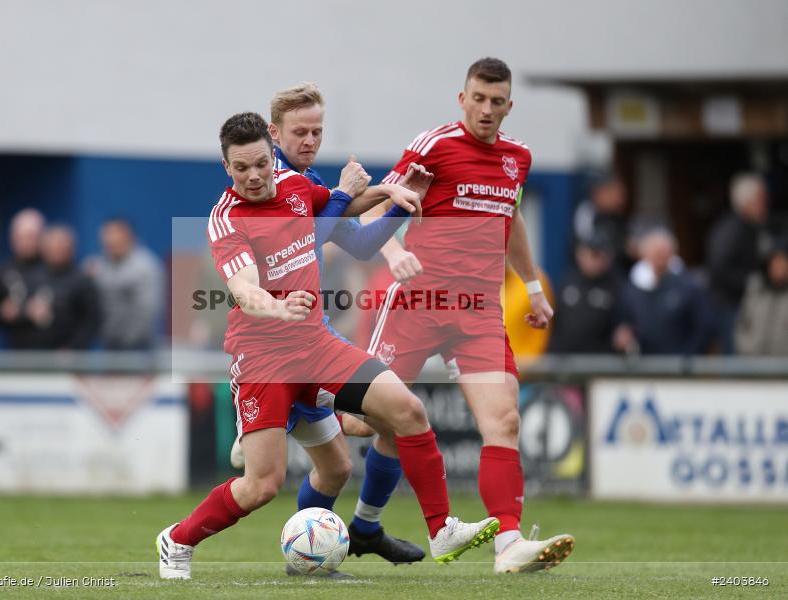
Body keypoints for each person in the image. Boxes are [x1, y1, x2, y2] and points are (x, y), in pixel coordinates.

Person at [156, 112, 497, 580]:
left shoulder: (294, 185)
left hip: (316, 345)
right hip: (263, 361)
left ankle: (441, 529)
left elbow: (343, 206)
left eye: (260, 163)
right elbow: (244, 289)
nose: (253, 176)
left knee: (406, 412)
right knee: (262, 484)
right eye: (241, 168)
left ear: (271, 156)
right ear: (225, 166)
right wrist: (278, 307)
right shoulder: (226, 219)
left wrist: (390, 194)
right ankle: (177, 539)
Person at [362, 57, 574, 573]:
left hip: (479, 312)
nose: (485, 109)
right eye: (477, 99)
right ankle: (296, 413)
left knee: (503, 419)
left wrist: (531, 286)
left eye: (496, 102)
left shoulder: (517, 158)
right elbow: (373, 205)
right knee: (368, 420)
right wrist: (393, 255)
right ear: (463, 99)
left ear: (508, 106)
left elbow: (513, 217)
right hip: (419, 303)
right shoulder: (434, 145)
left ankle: (508, 544)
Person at [229, 83, 426, 569]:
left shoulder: (310, 183)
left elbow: (358, 245)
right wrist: (344, 193)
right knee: (380, 420)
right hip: (273, 345)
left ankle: (352, 535)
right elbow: (303, 233)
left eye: (318, 130)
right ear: (274, 133)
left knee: (345, 461)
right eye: (300, 131)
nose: (310, 139)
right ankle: (255, 427)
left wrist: (402, 204)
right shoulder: (265, 183)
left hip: (311, 335)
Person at [614, 227, 711, 355]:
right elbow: (624, 324)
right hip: (641, 366)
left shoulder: (689, 287)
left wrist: (688, 357)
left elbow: (703, 327)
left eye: (663, 254)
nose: (659, 259)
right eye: (655, 254)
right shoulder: (631, 290)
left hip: (680, 365)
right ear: (644, 255)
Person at [706, 172, 772, 354]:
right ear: (747, 202)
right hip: (731, 307)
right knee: (736, 356)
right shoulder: (731, 230)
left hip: (745, 305)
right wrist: (751, 283)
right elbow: (719, 267)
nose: (765, 205)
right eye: (761, 199)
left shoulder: (752, 227)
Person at [87, 218, 163, 350]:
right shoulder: (98, 266)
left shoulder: (145, 267)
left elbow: (147, 310)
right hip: (108, 344)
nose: (110, 240)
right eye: (106, 236)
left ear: (128, 236)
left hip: (137, 347)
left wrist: (128, 341)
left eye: (114, 235)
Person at [27, 226, 100, 350]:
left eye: (62, 247)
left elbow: (91, 320)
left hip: (71, 355)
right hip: (37, 352)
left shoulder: (82, 280)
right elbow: (23, 310)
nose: (57, 251)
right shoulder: (34, 277)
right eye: (54, 247)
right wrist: (28, 311)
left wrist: (74, 347)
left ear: (71, 249)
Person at [548, 233, 622, 354]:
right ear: (580, 254)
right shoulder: (567, 280)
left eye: (603, 254)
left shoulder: (616, 285)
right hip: (564, 361)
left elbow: (622, 323)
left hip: (600, 362)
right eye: (594, 254)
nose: (598, 260)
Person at [0, 208, 47, 349]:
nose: (29, 242)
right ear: (13, 238)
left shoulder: (56, 269)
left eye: (33, 236)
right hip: (16, 352)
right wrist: (3, 313)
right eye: (24, 237)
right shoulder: (3, 272)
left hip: (54, 352)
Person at [735, 239, 788, 356]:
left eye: (783, 261)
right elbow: (742, 323)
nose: (779, 267)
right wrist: (746, 348)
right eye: (775, 261)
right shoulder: (754, 290)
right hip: (753, 364)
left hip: (784, 367)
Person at [573, 174, 631, 274]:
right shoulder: (587, 213)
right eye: (615, 194)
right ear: (600, 193)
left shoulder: (617, 217)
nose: (620, 199)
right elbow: (584, 248)